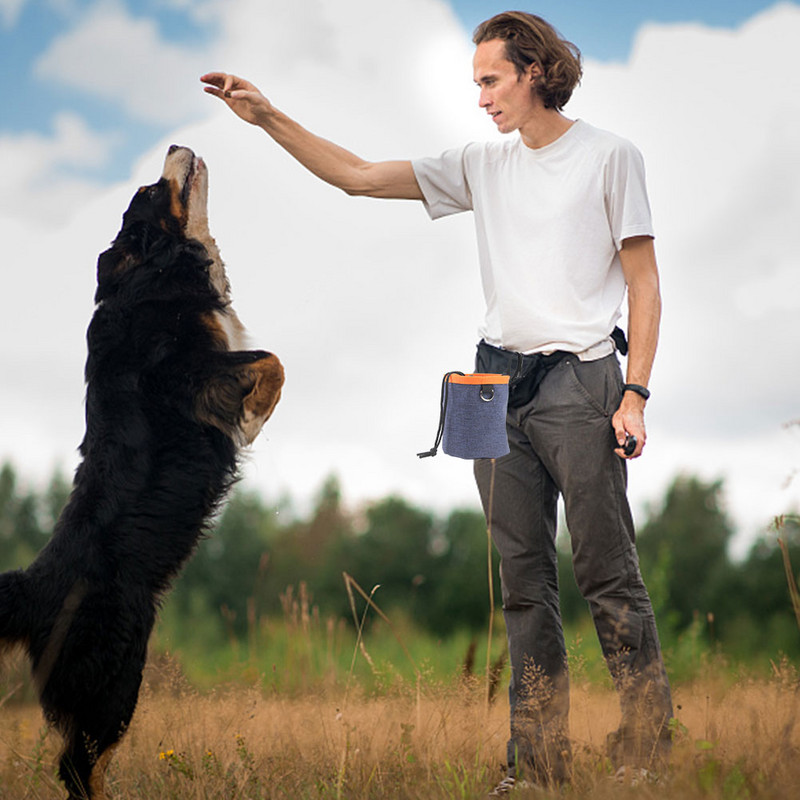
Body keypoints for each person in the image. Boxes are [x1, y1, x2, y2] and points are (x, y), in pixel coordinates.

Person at [202, 10, 673, 794]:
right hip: (489, 388)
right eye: (476, 83)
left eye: (491, 80)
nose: (481, 98)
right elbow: (356, 176)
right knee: (522, 586)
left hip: (584, 381)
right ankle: (539, 771)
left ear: (535, 72)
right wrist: (268, 117)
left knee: (606, 571)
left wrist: (636, 394)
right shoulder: (480, 166)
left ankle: (649, 759)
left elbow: (644, 283)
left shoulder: (610, 157)